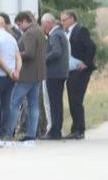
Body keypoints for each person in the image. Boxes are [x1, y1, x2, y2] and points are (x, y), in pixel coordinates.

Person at [11, 11, 46, 141]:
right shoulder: (39, 31)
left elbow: (30, 53)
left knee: (14, 102)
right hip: (37, 74)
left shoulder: (30, 33)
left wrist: (15, 54)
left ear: (25, 21)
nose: (19, 27)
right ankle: (31, 133)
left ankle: (8, 131)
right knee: (33, 105)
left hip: (27, 74)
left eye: (19, 24)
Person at [63, 9, 97, 140]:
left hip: (80, 70)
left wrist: (86, 63)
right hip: (71, 70)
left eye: (64, 20)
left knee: (76, 99)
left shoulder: (80, 30)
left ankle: (79, 129)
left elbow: (91, 47)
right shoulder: (67, 32)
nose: (62, 22)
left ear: (72, 19)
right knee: (72, 99)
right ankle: (75, 128)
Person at [0, 14, 21, 137]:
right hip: (11, 77)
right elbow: (18, 58)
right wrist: (16, 71)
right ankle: (5, 131)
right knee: (6, 103)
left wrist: (8, 71)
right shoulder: (12, 38)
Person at [42, 13, 68, 140]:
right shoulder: (60, 33)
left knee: (54, 103)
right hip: (60, 73)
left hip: (54, 73)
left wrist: (43, 59)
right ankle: (56, 128)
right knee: (57, 102)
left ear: (48, 23)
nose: (43, 27)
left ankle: (54, 130)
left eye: (43, 24)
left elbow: (56, 52)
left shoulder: (54, 35)